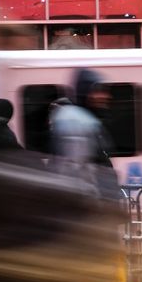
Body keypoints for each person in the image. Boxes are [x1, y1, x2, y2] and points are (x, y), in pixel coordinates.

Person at [49, 69, 117, 199]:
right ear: (85, 92)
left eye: (105, 91)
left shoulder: (88, 119)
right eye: (98, 91)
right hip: (86, 209)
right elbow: (74, 172)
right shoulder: (75, 121)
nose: (106, 96)